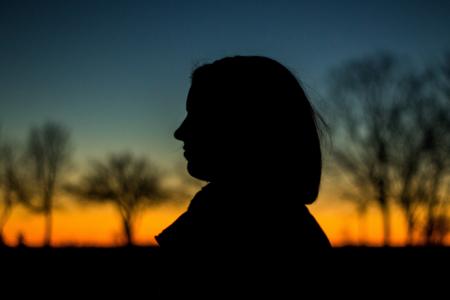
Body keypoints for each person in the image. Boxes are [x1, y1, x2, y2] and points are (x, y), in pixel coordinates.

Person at [155, 56, 331, 294]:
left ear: (244, 124)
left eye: (199, 115)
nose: (180, 132)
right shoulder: (225, 216)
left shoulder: (234, 230)